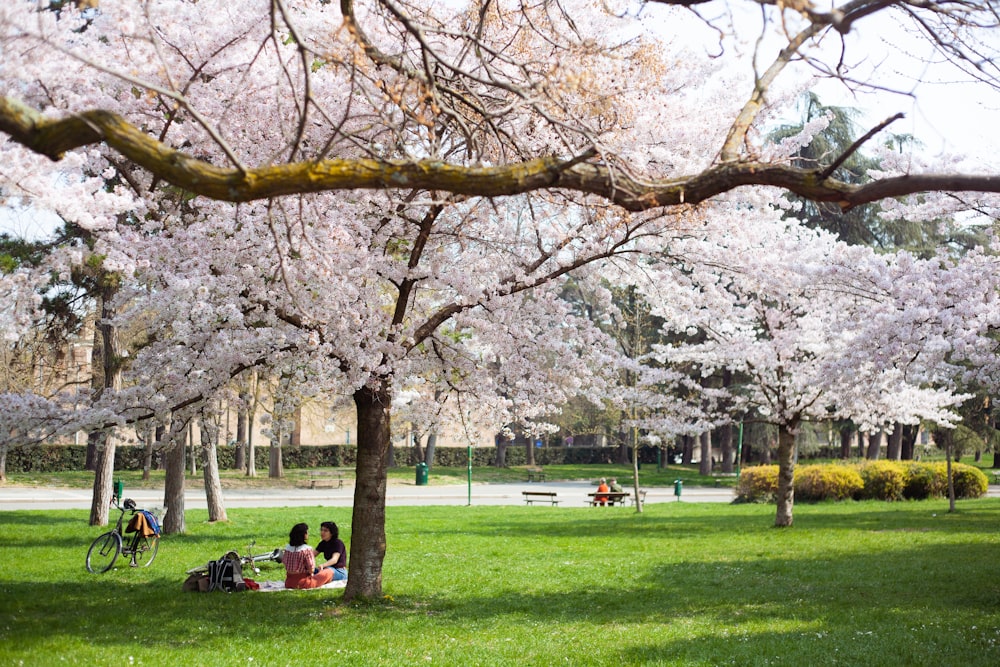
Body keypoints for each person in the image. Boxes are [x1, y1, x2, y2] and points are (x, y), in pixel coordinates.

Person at [282, 522, 334, 589]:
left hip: (289, 582)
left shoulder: (287, 548)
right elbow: (311, 568)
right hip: (303, 582)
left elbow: (284, 562)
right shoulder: (306, 549)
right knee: (329, 572)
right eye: (307, 532)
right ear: (304, 535)